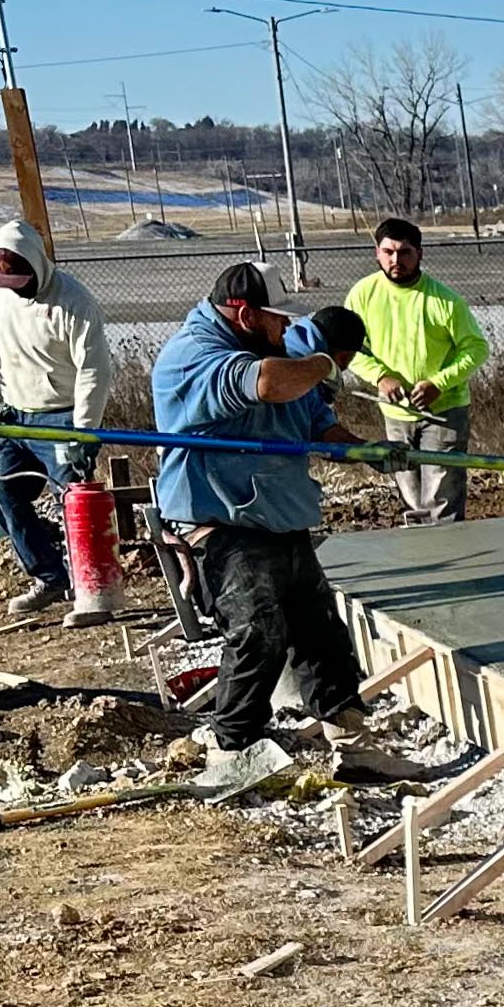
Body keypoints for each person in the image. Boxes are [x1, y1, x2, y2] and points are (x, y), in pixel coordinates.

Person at [149, 263, 373, 794]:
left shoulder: (269, 351)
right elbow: (270, 385)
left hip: (279, 514)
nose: (284, 330)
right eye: (276, 320)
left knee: (320, 633)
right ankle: (234, 750)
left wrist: (362, 449)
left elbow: (313, 421)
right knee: (257, 632)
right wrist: (322, 362)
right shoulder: (192, 357)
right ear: (246, 314)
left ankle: (352, 742)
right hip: (222, 519)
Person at [0, 219, 114, 617]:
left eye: (19, 280)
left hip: (62, 420)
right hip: (14, 418)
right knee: (3, 497)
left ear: (37, 266)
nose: (12, 288)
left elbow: (94, 371)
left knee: (75, 504)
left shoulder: (74, 302)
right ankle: (51, 578)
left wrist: (85, 433)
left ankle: (93, 592)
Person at [343, 215, 490, 522]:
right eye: (388, 252)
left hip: (444, 413)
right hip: (395, 415)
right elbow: (347, 347)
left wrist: (439, 383)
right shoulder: (362, 295)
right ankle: (424, 558)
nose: (396, 260)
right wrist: (380, 377)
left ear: (419, 254)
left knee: (442, 500)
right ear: (377, 253)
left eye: (405, 252)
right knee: (411, 499)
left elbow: (476, 347)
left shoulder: (444, 300)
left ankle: (455, 562)